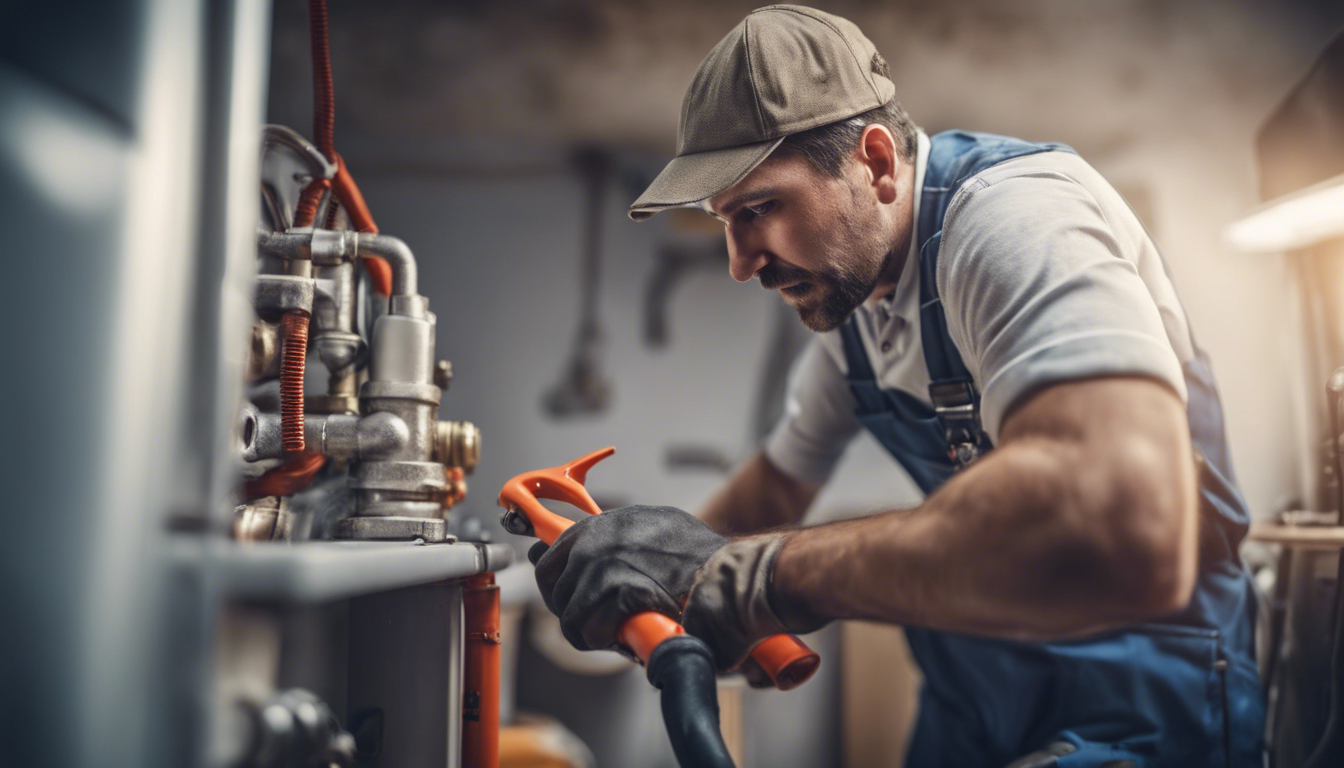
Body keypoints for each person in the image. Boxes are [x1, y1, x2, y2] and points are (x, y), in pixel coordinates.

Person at [529, 6, 1265, 766]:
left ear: (876, 163)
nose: (740, 262)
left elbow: (1123, 523)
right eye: (725, 221)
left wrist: (760, 579)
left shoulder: (1014, 217)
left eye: (758, 209)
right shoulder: (857, 323)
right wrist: (657, 578)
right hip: (979, 694)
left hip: (1141, 692)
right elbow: (772, 494)